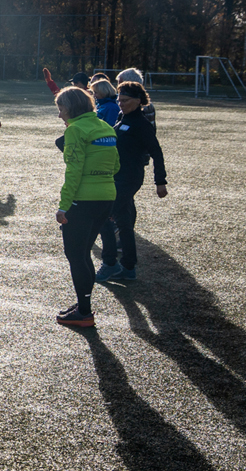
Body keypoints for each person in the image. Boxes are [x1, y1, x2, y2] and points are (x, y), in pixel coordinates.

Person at [51, 86, 119, 328]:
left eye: (61, 109)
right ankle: (83, 307)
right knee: (85, 253)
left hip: (83, 200)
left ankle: (85, 313)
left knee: (76, 255)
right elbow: (116, 166)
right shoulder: (106, 127)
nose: (60, 115)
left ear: (71, 108)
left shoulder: (76, 130)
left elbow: (74, 172)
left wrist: (63, 207)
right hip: (107, 197)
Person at [95, 81, 168, 283]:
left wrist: (160, 181)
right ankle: (128, 266)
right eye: (119, 99)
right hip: (116, 176)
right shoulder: (121, 117)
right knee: (124, 222)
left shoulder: (141, 124)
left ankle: (110, 263)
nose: (120, 103)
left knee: (103, 216)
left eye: (125, 100)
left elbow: (157, 152)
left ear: (138, 101)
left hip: (129, 179)